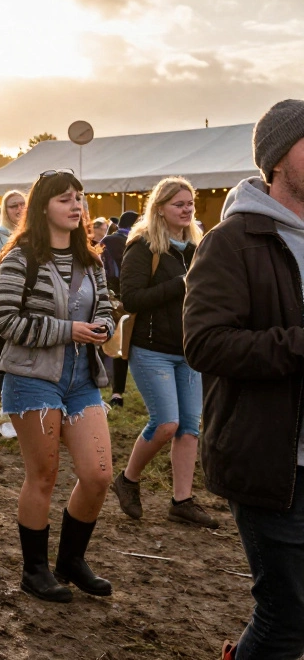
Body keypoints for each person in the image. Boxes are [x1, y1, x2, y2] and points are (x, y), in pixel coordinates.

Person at [185, 99, 304, 660]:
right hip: (273, 462)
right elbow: (205, 343)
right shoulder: (233, 240)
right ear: (279, 158)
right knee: (286, 618)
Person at [0, 169, 115, 604]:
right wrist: (68, 330)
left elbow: (106, 307)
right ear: (43, 205)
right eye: (65, 198)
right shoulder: (20, 257)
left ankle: (71, 561)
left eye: (79, 197)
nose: (75, 205)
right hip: (31, 379)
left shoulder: (91, 259)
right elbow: (3, 320)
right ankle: (35, 570)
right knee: (43, 476)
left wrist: (103, 326)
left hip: (82, 380)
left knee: (99, 475)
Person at [108, 177, 216, 528]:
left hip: (189, 349)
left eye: (189, 204)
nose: (186, 210)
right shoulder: (142, 246)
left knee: (189, 428)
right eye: (178, 204)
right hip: (151, 348)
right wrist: (180, 285)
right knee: (166, 423)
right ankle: (128, 479)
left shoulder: (198, 247)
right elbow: (133, 298)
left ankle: (182, 501)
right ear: (159, 209)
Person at [101, 210, 136, 407]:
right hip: (130, 296)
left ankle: (116, 392)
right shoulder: (137, 241)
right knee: (124, 342)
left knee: (119, 342)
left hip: (115, 296)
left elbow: (104, 269)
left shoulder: (108, 240)